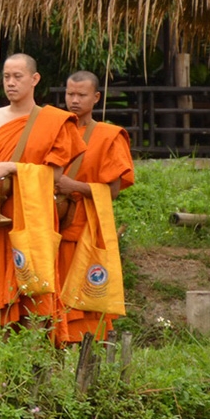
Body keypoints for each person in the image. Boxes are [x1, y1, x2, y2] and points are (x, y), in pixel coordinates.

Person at [0, 54, 85, 340]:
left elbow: (54, 175)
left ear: (35, 79)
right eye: (6, 77)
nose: (10, 83)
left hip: (33, 220)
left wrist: (12, 167)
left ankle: (35, 370)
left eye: (18, 77)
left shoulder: (54, 121)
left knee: (35, 291)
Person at [55, 71, 135, 344]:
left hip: (86, 229)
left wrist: (73, 186)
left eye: (81, 95)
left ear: (96, 97)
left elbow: (111, 191)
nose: (74, 100)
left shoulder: (108, 136)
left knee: (83, 296)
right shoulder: (54, 130)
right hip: (52, 225)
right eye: (70, 94)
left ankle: (85, 351)